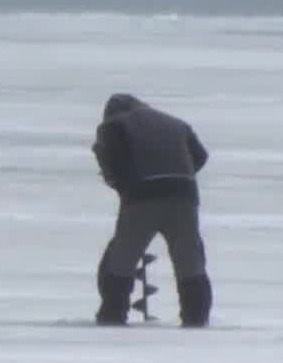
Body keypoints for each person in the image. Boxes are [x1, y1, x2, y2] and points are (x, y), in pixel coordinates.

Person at [91, 93, 213, 327]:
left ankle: (112, 315)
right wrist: (177, 173)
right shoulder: (176, 123)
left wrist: (123, 184)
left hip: (141, 197)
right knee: (189, 262)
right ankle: (196, 319)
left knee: (122, 259)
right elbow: (200, 156)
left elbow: (113, 162)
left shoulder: (113, 125)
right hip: (183, 196)